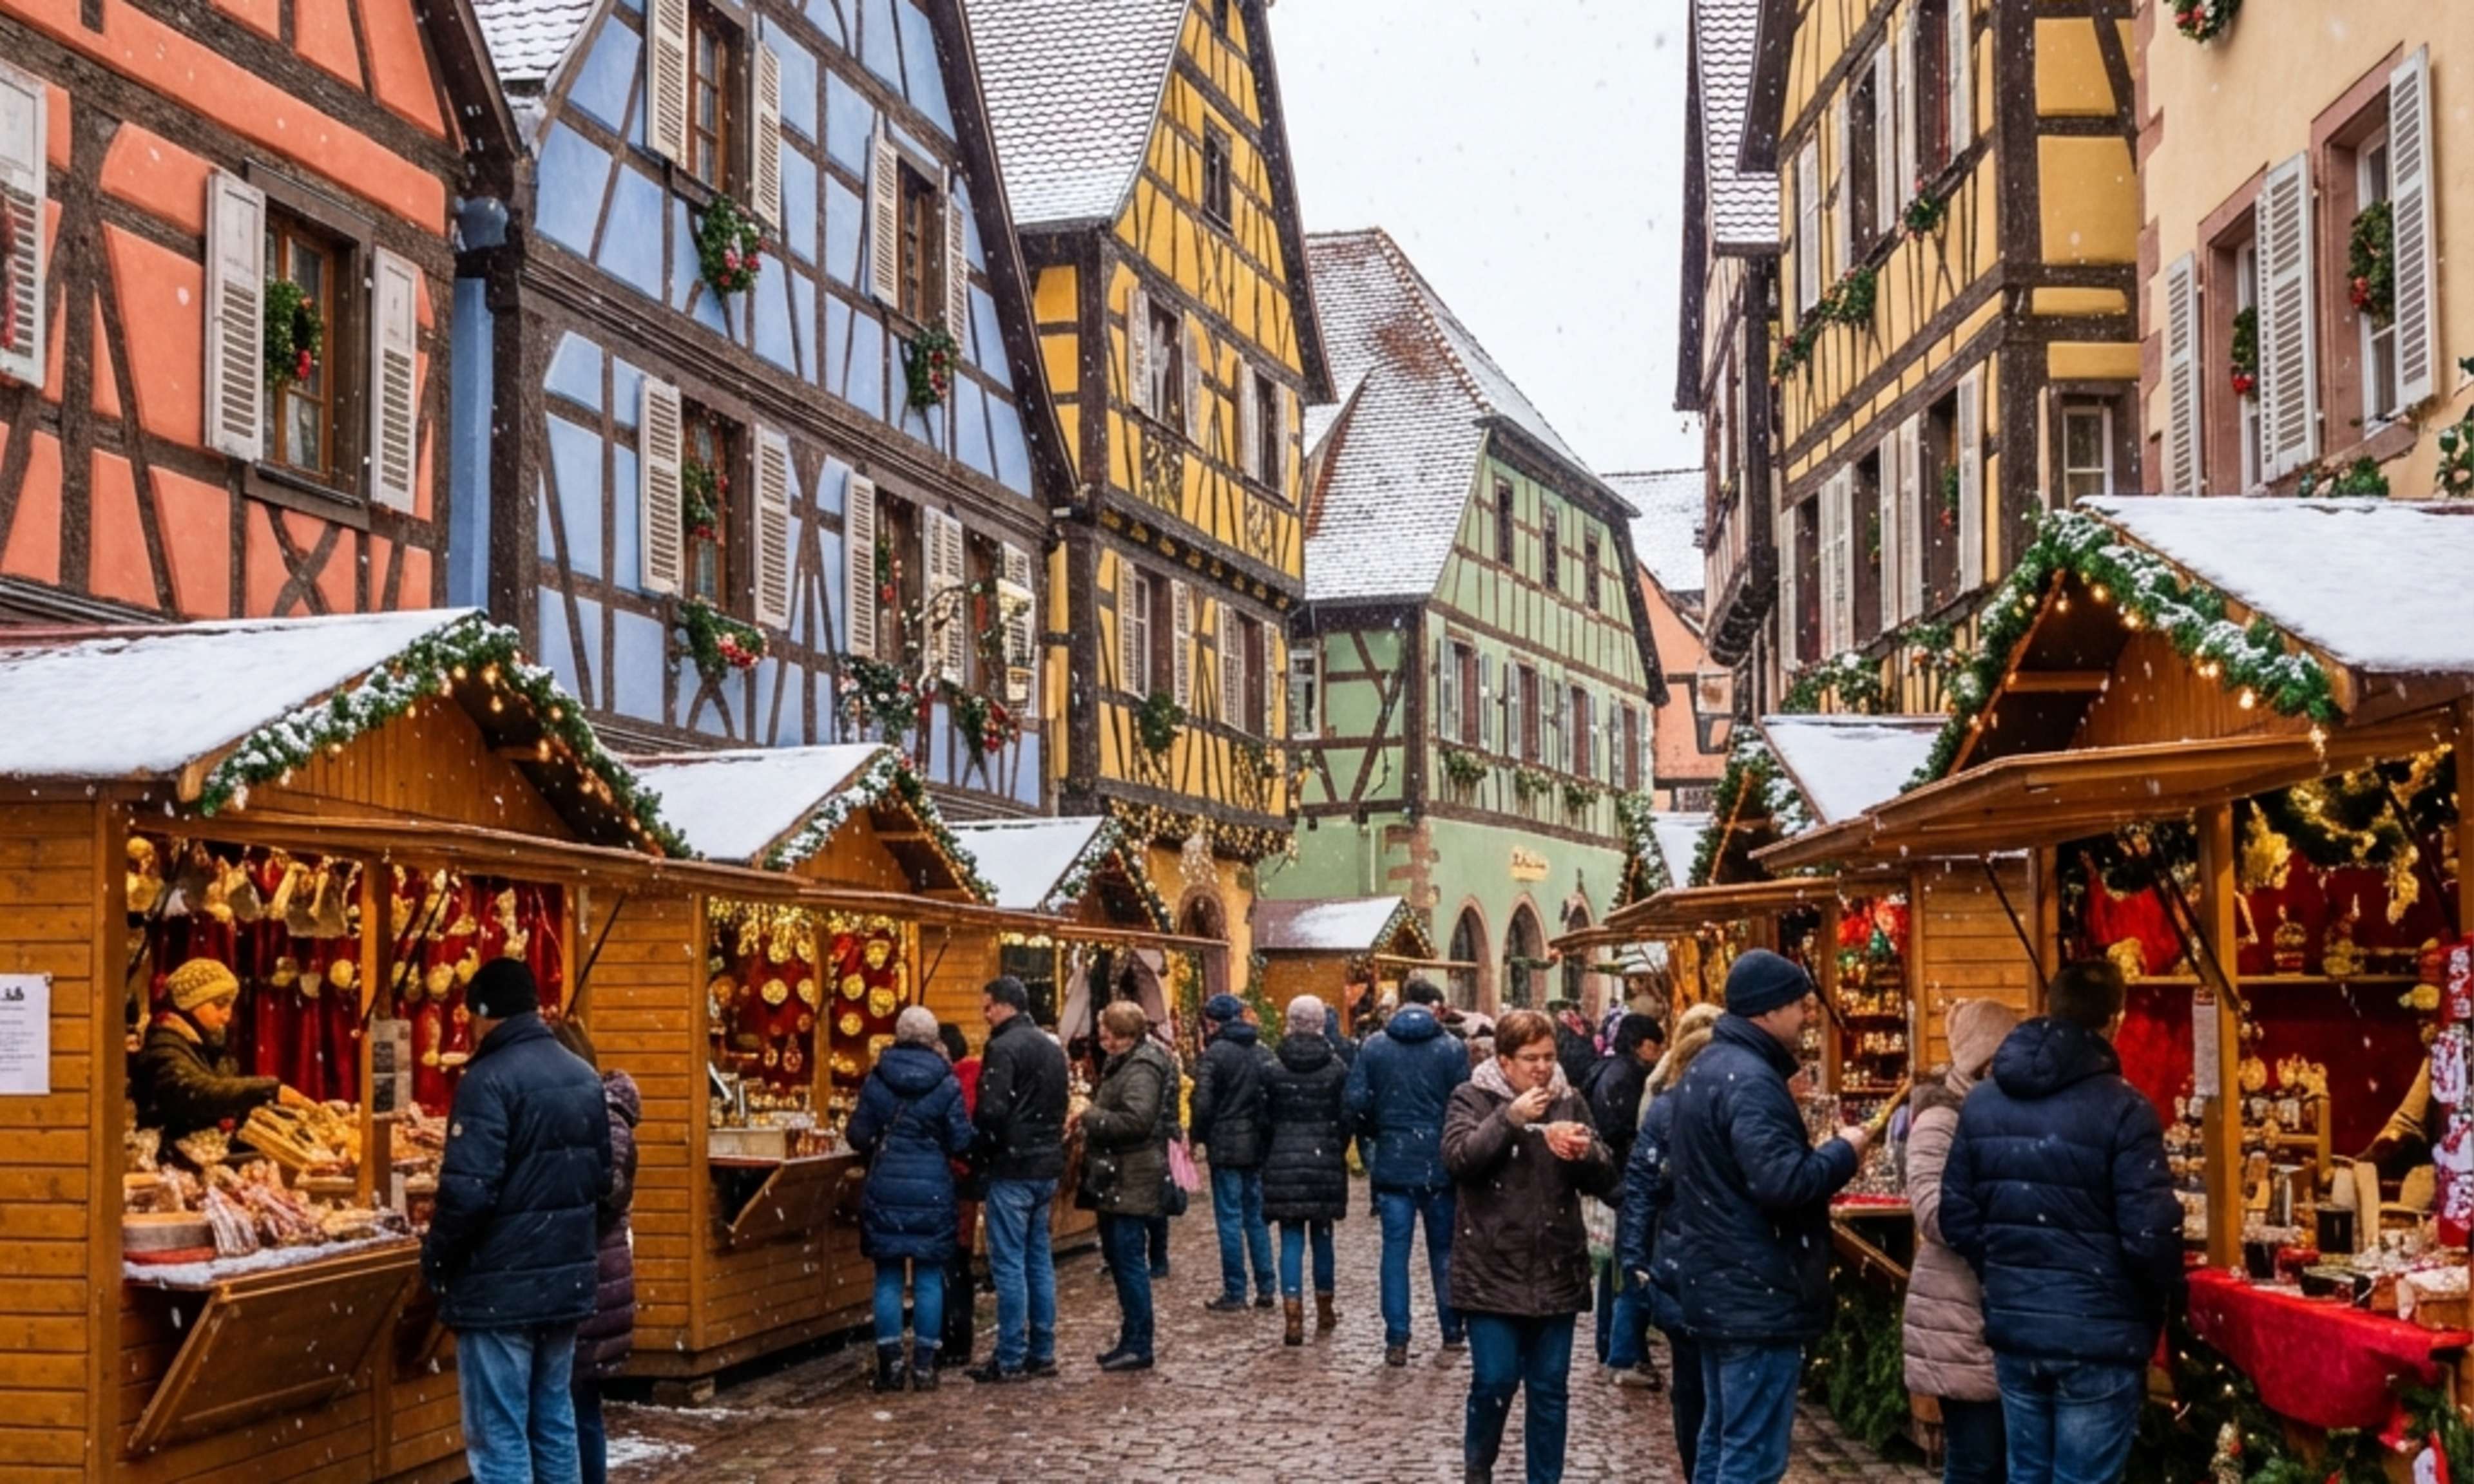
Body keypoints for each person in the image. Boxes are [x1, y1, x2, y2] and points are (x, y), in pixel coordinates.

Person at [1939, 962, 2182, 1484]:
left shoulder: (1983, 1103)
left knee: (2027, 1474)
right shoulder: (2125, 1109)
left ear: (2049, 1008)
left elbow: (1957, 1215)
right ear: (2115, 1022)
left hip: (2020, 1328)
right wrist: (2147, 1300)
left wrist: (2009, 1267)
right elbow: (2151, 1234)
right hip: (2098, 1330)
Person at [1665, 950, 1871, 1484]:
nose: (1807, 1016)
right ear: (1766, 1012)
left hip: (1720, 1284)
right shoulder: (1750, 1081)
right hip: (1755, 1293)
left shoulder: (1710, 1068)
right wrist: (1844, 1152)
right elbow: (1782, 1183)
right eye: (1798, 1006)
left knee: (1721, 1440)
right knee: (1750, 1456)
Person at [421, 960, 611, 1484]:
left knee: (499, 1432)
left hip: (499, 1291)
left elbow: (467, 1192)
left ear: (484, 1015)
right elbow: (603, 1184)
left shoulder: (487, 1080)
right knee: (553, 1420)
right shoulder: (582, 1075)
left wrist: (437, 1259)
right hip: (562, 1283)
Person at [1443, 1008, 1618, 1484]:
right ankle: (1478, 1466)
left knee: (1550, 1390)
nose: (1542, 1067)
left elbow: (1606, 1173)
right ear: (1504, 1060)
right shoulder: (1472, 1098)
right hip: (1492, 1267)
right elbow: (1461, 1160)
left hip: (1556, 1264)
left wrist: (1586, 1153)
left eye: (1548, 1057)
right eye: (1529, 1058)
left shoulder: (1570, 1101)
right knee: (1495, 1380)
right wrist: (1510, 1119)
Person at [1903, 999, 2022, 1484]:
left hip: (1999, 1313)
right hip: (1958, 1314)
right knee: (1976, 1461)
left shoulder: (2011, 1113)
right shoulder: (1940, 1120)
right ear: (1985, 1060)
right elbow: (1933, 1212)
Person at [847, 1005, 978, 1393]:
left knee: (888, 1275)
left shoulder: (878, 1079)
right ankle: (924, 1365)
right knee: (928, 1275)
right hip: (933, 1186)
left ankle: (889, 1366)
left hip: (886, 1183)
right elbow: (960, 1140)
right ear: (933, 1037)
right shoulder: (947, 1081)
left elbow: (858, 1134)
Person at [1622, 1003, 1725, 1483]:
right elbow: (1642, 1186)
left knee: (1697, 1389)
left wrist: (1637, 1261)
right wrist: (1636, 1259)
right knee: (1704, 1387)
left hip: (1687, 1268)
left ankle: (1702, 1468)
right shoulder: (1675, 1109)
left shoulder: (1671, 1106)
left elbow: (1642, 1186)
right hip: (1701, 1270)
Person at [1346, 976, 1473, 1367]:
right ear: (1433, 1007)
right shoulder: (1451, 1048)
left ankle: (1397, 1338)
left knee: (1394, 1254)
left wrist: (1378, 1131)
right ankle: (1452, 1331)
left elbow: (1355, 1102)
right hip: (1440, 1166)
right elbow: (1464, 1103)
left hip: (1394, 1164)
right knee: (1444, 1251)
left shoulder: (1374, 1047)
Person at [966, 975, 1068, 1385]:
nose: (985, 1014)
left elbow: (992, 1110)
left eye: (988, 1006)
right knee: (1038, 1260)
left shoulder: (1003, 1048)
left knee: (1009, 1264)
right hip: (1045, 1164)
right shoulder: (1050, 1047)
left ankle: (1010, 1354)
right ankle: (1042, 1350)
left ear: (1006, 1006)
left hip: (1013, 1166)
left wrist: (982, 1148)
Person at [551, 1020, 639, 1484]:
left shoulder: (599, 1118)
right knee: (579, 1401)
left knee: (573, 1399)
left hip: (589, 1274)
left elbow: (605, 1194)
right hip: (598, 1273)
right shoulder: (609, 1114)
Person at [1075, 999, 1176, 1371]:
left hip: (1130, 1176)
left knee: (1129, 1261)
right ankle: (1131, 1338)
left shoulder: (1141, 1068)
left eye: (1105, 1033)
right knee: (1123, 1261)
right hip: (1122, 1174)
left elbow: (1137, 1120)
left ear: (1122, 1036)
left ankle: (1139, 1343)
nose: (1101, 1040)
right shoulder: (1133, 1063)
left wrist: (1090, 1115)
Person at [133, 958, 311, 1137]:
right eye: (219, 1004)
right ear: (191, 1002)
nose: (227, 1014)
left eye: (230, 1004)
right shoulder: (164, 1044)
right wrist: (267, 1091)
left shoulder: (206, 1045)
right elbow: (195, 1091)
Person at [1582, 1012, 1666, 1386]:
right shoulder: (1629, 1078)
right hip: (1625, 1184)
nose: (1659, 1051)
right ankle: (1622, 1353)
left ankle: (1611, 1346)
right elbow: (1623, 1132)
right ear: (1640, 1045)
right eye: (1655, 1044)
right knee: (1629, 1269)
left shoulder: (1604, 1071)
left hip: (1614, 1182)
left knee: (1615, 1269)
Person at [1261, 993, 1350, 1346]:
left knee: (1291, 1239)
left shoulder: (1272, 1068)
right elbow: (1346, 1119)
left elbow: (1263, 1120)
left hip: (1283, 1159)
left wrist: (1275, 1148)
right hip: (1324, 1158)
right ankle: (1325, 1308)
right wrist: (1332, 1147)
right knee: (1323, 1237)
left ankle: (1293, 1316)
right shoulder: (1336, 1068)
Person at [1190, 991, 1277, 1312]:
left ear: (1212, 1023)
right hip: (1255, 1143)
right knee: (1256, 1217)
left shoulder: (1215, 1055)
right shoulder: (1263, 1052)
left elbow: (1203, 1102)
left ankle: (1235, 1290)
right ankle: (1267, 1286)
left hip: (1225, 1144)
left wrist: (1197, 1136)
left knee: (1229, 1218)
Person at [936, 1021, 984, 1369]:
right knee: (958, 1262)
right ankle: (959, 1339)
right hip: (965, 1182)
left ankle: (950, 1338)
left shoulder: (952, 1084)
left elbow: (957, 1135)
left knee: (948, 1263)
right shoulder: (974, 1077)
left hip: (951, 1181)